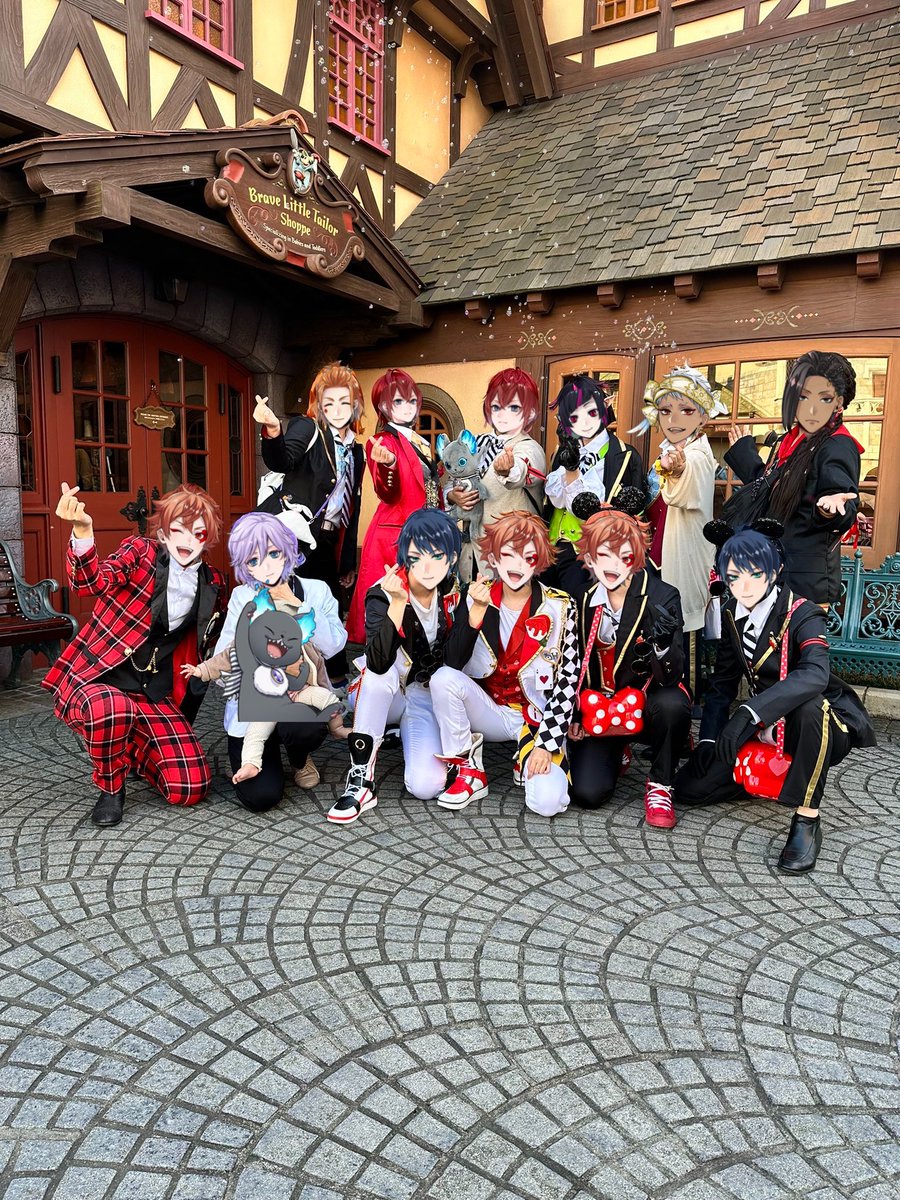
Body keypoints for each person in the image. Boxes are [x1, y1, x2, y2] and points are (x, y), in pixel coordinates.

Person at [674, 525, 875, 873]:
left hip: (821, 725)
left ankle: (807, 819)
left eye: (756, 573)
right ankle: (761, 777)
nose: (745, 586)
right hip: (766, 724)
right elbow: (722, 684)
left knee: (811, 707)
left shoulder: (804, 612)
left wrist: (750, 713)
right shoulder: (731, 613)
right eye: (734, 576)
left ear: (776, 570)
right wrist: (709, 740)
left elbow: (816, 675)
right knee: (689, 788)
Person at [44, 482, 225, 827]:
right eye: (179, 529)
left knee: (190, 788)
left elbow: (219, 635)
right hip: (103, 681)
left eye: (198, 533)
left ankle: (132, 749)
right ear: (164, 531)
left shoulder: (212, 581)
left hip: (152, 691)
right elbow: (91, 582)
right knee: (112, 709)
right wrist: (83, 531)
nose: (188, 540)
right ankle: (111, 786)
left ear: (209, 538)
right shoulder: (139, 552)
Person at [430, 511, 579, 817]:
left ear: (539, 561)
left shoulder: (561, 606)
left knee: (547, 803)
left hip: (536, 716)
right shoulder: (475, 596)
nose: (516, 565)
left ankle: (526, 754)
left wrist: (547, 744)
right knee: (442, 679)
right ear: (494, 558)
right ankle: (469, 769)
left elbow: (567, 681)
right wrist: (475, 613)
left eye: (528, 557)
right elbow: (451, 663)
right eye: (508, 554)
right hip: (490, 709)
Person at [329, 509, 462, 825]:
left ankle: (395, 733)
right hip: (385, 691)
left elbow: (457, 659)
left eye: (437, 556)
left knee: (426, 786)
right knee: (379, 677)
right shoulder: (382, 593)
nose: (427, 567)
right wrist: (398, 604)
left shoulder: (453, 590)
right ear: (405, 555)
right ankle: (361, 779)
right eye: (417, 556)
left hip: (422, 694)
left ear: (452, 558)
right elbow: (377, 662)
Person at [211, 512, 347, 813]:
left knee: (305, 729)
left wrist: (298, 606)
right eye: (254, 559)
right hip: (255, 705)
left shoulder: (315, 590)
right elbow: (221, 670)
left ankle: (299, 758)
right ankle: (260, 751)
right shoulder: (242, 597)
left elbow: (334, 646)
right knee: (261, 797)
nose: (267, 566)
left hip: (298, 696)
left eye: (274, 554)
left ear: (289, 551)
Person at [567, 503, 691, 828]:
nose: (612, 566)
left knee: (673, 704)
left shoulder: (662, 596)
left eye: (623, 556)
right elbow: (571, 662)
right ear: (589, 556)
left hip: (646, 703)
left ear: (637, 556)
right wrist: (574, 715)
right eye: (603, 555)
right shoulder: (581, 598)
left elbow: (674, 675)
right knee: (587, 793)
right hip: (599, 709)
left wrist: (663, 645)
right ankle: (617, 748)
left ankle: (661, 783)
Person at [253, 364, 365, 685]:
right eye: (329, 403)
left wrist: (348, 561)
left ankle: (333, 680)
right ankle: (281, 676)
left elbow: (352, 509)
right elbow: (283, 460)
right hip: (295, 536)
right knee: (288, 602)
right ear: (319, 404)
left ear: (355, 404)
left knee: (329, 606)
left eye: (344, 402)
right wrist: (273, 429)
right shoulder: (308, 428)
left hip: (328, 541)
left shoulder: (357, 451)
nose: (337, 410)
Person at [726, 350, 861, 606]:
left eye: (824, 398)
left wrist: (830, 509)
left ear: (839, 403)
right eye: (802, 396)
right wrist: (744, 455)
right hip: (773, 571)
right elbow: (768, 491)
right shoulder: (791, 440)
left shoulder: (837, 445)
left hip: (803, 583)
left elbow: (843, 503)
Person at [634, 365, 728, 694]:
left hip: (682, 555)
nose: (674, 419)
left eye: (686, 410)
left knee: (684, 632)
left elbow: (685, 480)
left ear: (702, 416)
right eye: (666, 411)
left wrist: (677, 469)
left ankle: (686, 703)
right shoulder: (669, 452)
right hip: (657, 554)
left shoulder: (697, 455)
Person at [346, 369, 442, 644]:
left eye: (411, 400)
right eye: (398, 401)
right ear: (383, 407)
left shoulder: (419, 441)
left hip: (424, 531)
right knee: (389, 605)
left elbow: (428, 486)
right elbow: (386, 492)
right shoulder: (381, 442)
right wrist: (389, 464)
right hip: (395, 534)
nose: (407, 407)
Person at [446, 368, 546, 580]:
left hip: (511, 559)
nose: (503, 414)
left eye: (514, 407)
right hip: (469, 557)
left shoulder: (530, 448)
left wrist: (508, 470)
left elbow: (524, 470)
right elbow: (451, 481)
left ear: (529, 412)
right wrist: (453, 496)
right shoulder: (475, 442)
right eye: (496, 406)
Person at [545, 374, 646, 549]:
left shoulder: (627, 456)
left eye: (591, 412)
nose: (584, 423)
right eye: (573, 417)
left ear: (606, 405)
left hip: (597, 550)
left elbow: (636, 514)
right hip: (554, 550)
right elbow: (554, 502)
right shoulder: (562, 453)